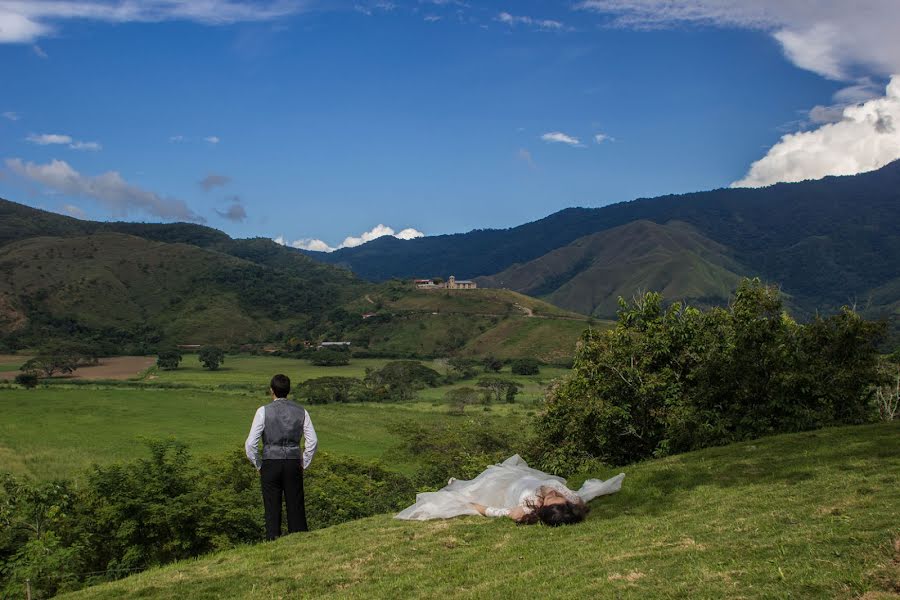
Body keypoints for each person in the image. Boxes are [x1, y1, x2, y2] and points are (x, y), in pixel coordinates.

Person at [395, 455, 624, 526]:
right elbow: (586, 494)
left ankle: (461, 486)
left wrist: (473, 505)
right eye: (560, 501)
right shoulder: (571, 497)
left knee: (473, 489)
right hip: (525, 477)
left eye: (552, 503)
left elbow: (486, 509)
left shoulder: (523, 508)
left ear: (541, 509)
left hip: (501, 485)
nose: (555, 496)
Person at [245, 374, 318, 540]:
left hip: (270, 462)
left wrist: (258, 464)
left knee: (272, 506)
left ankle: (273, 541)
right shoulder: (302, 411)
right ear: (289, 391)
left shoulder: (263, 411)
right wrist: (304, 462)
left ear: (271, 390)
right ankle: (299, 540)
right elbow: (312, 441)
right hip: (293, 462)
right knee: (296, 505)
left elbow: (250, 444)